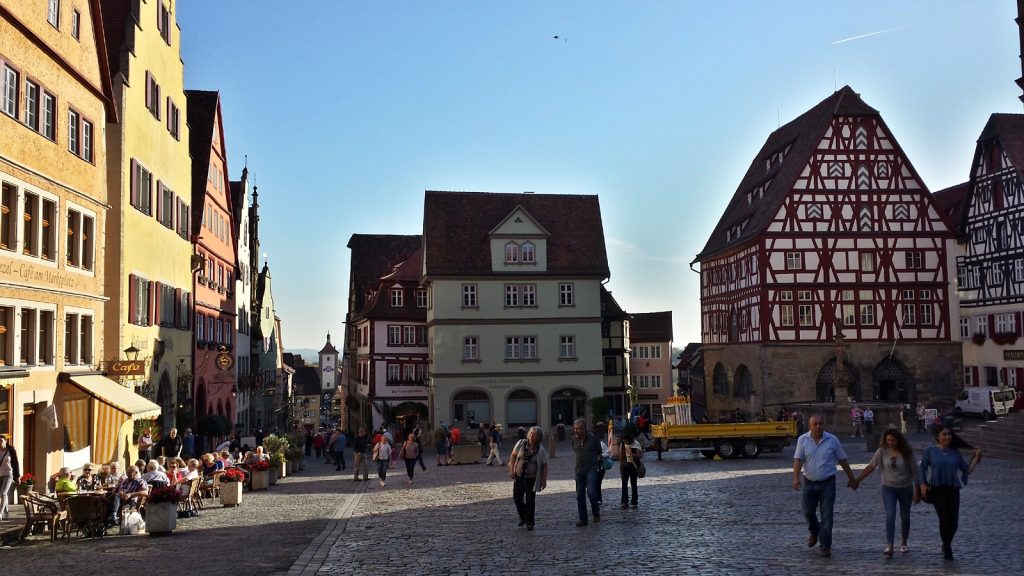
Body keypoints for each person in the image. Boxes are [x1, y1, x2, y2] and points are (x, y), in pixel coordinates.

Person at [792, 414, 857, 557]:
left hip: (828, 484)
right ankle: (814, 531)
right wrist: (796, 478)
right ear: (809, 426)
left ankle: (825, 545)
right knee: (808, 512)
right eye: (815, 424)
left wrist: (852, 478)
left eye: (820, 424)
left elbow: (843, 460)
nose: (818, 426)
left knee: (827, 516)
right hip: (809, 483)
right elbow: (798, 460)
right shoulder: (802, 440)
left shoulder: (832, 440)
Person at [918, 425, 982, 561]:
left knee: (954, 522)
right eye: (944, 434)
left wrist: (975, 458)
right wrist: (922, 483)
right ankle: (947, 548)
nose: (947, 437)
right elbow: (922, 468)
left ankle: (946, 543)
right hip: (937, 489)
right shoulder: (931, 451)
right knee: (944, 519)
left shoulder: (955, 453)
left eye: (949, 434)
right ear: (938, 437)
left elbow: (966, 470)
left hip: (953, 490)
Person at [853, 429, 919, 556]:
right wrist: (857, 480)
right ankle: (890, 545)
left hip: (905, 487)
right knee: (890, 515)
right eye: (888, 440)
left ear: (898, 440)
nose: (891, 443)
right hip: (888, 487)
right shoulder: (882, 451)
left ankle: (904, 542)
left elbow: (914, 471)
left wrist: (917, 489)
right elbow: (871, 467)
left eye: (893, 440)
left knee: (905, 516)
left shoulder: (906, 452)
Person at [508, 426, 549, 531]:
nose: (531, 435)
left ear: (538, 437)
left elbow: (544, 465)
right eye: (530, 433)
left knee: (530, 500)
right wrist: (511, 470)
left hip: (532, 478)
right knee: (517, 498)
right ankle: (523, 517)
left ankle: (530, 522)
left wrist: (544, 480)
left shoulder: (540, 449)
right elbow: (513, 456)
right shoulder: (521, 443)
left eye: (534, 434)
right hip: (519, 476)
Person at [571, 418, 601, 527]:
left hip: (591, 469)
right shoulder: (574, 439)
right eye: (575, 428)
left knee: (591, 492)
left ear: (584, 429)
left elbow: (599, 451)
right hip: (579, 470)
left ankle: (596, 513)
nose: (575, 431)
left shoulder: (593, 439)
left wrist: (596, 460)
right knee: (579, 495)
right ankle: (583, 518)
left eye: (578, 429)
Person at [619, 433, 642, 509]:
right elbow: (621, 455)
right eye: (624, 441)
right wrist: (620, 464)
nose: (625, 443)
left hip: (633, 466)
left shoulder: (636, 444)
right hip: (624, 466)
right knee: (624, 484)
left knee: (633, 484)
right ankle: (624, 502)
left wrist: (631, 454)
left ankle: (634, 501)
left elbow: (639, 455)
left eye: (627, 441)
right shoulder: (622, 444)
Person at [0, 434, 20, 522]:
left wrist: (17, 477)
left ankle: (0, 513)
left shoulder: (11, 451)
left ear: (5, 441)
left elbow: (15, 464)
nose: (0, 443)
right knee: (3, 493)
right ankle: (6, 509)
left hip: (8, 474)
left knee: (3, 493)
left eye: (1, 441)